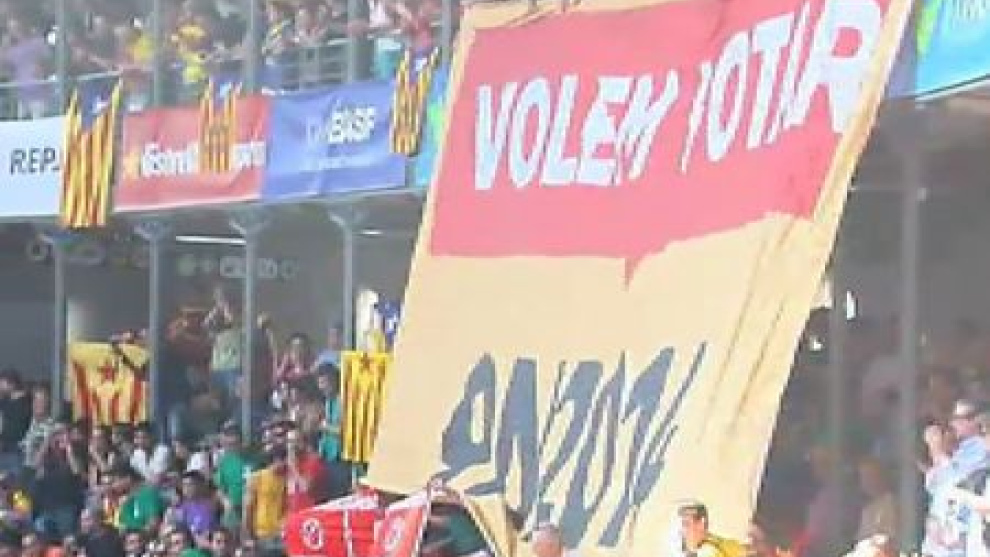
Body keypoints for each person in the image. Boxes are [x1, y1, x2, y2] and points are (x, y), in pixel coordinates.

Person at [242, 446, 288, 551]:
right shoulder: (257, 477)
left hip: (279, 532)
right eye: (284, 459)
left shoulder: (284, 479)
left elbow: (284, 505)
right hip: (261, 533)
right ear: (276, 459)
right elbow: (247, 508)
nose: (286, 463)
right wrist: (248, 534)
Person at [670, 501, 747, 557]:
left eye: (686, 524)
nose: (681, 531)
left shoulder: (710, 552)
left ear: (701, 524)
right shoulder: (726, 544)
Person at [213, 423, 253, 531]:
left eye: (235, 442)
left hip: (253, 509)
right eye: (229, 443)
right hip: (233, 510)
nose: (232, 445)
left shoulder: (253, 459)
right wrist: (225, 501)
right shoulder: (224, 462)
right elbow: (219, 488)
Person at [0, 369, 32, 474]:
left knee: (15, 481)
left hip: (15, 452)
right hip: (4, 450)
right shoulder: (5, 401)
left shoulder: (25, 404)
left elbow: (18, 430)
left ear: (12, 384)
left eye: (2, 382)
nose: (0, 386)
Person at [174, 471, 219, 544]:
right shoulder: (180, 507)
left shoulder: (211, 506)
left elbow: (209, 531)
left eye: (190, 485)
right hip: (187, 544)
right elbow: (179, 530)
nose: (186, 488)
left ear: (200, 485)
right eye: (184, 485)